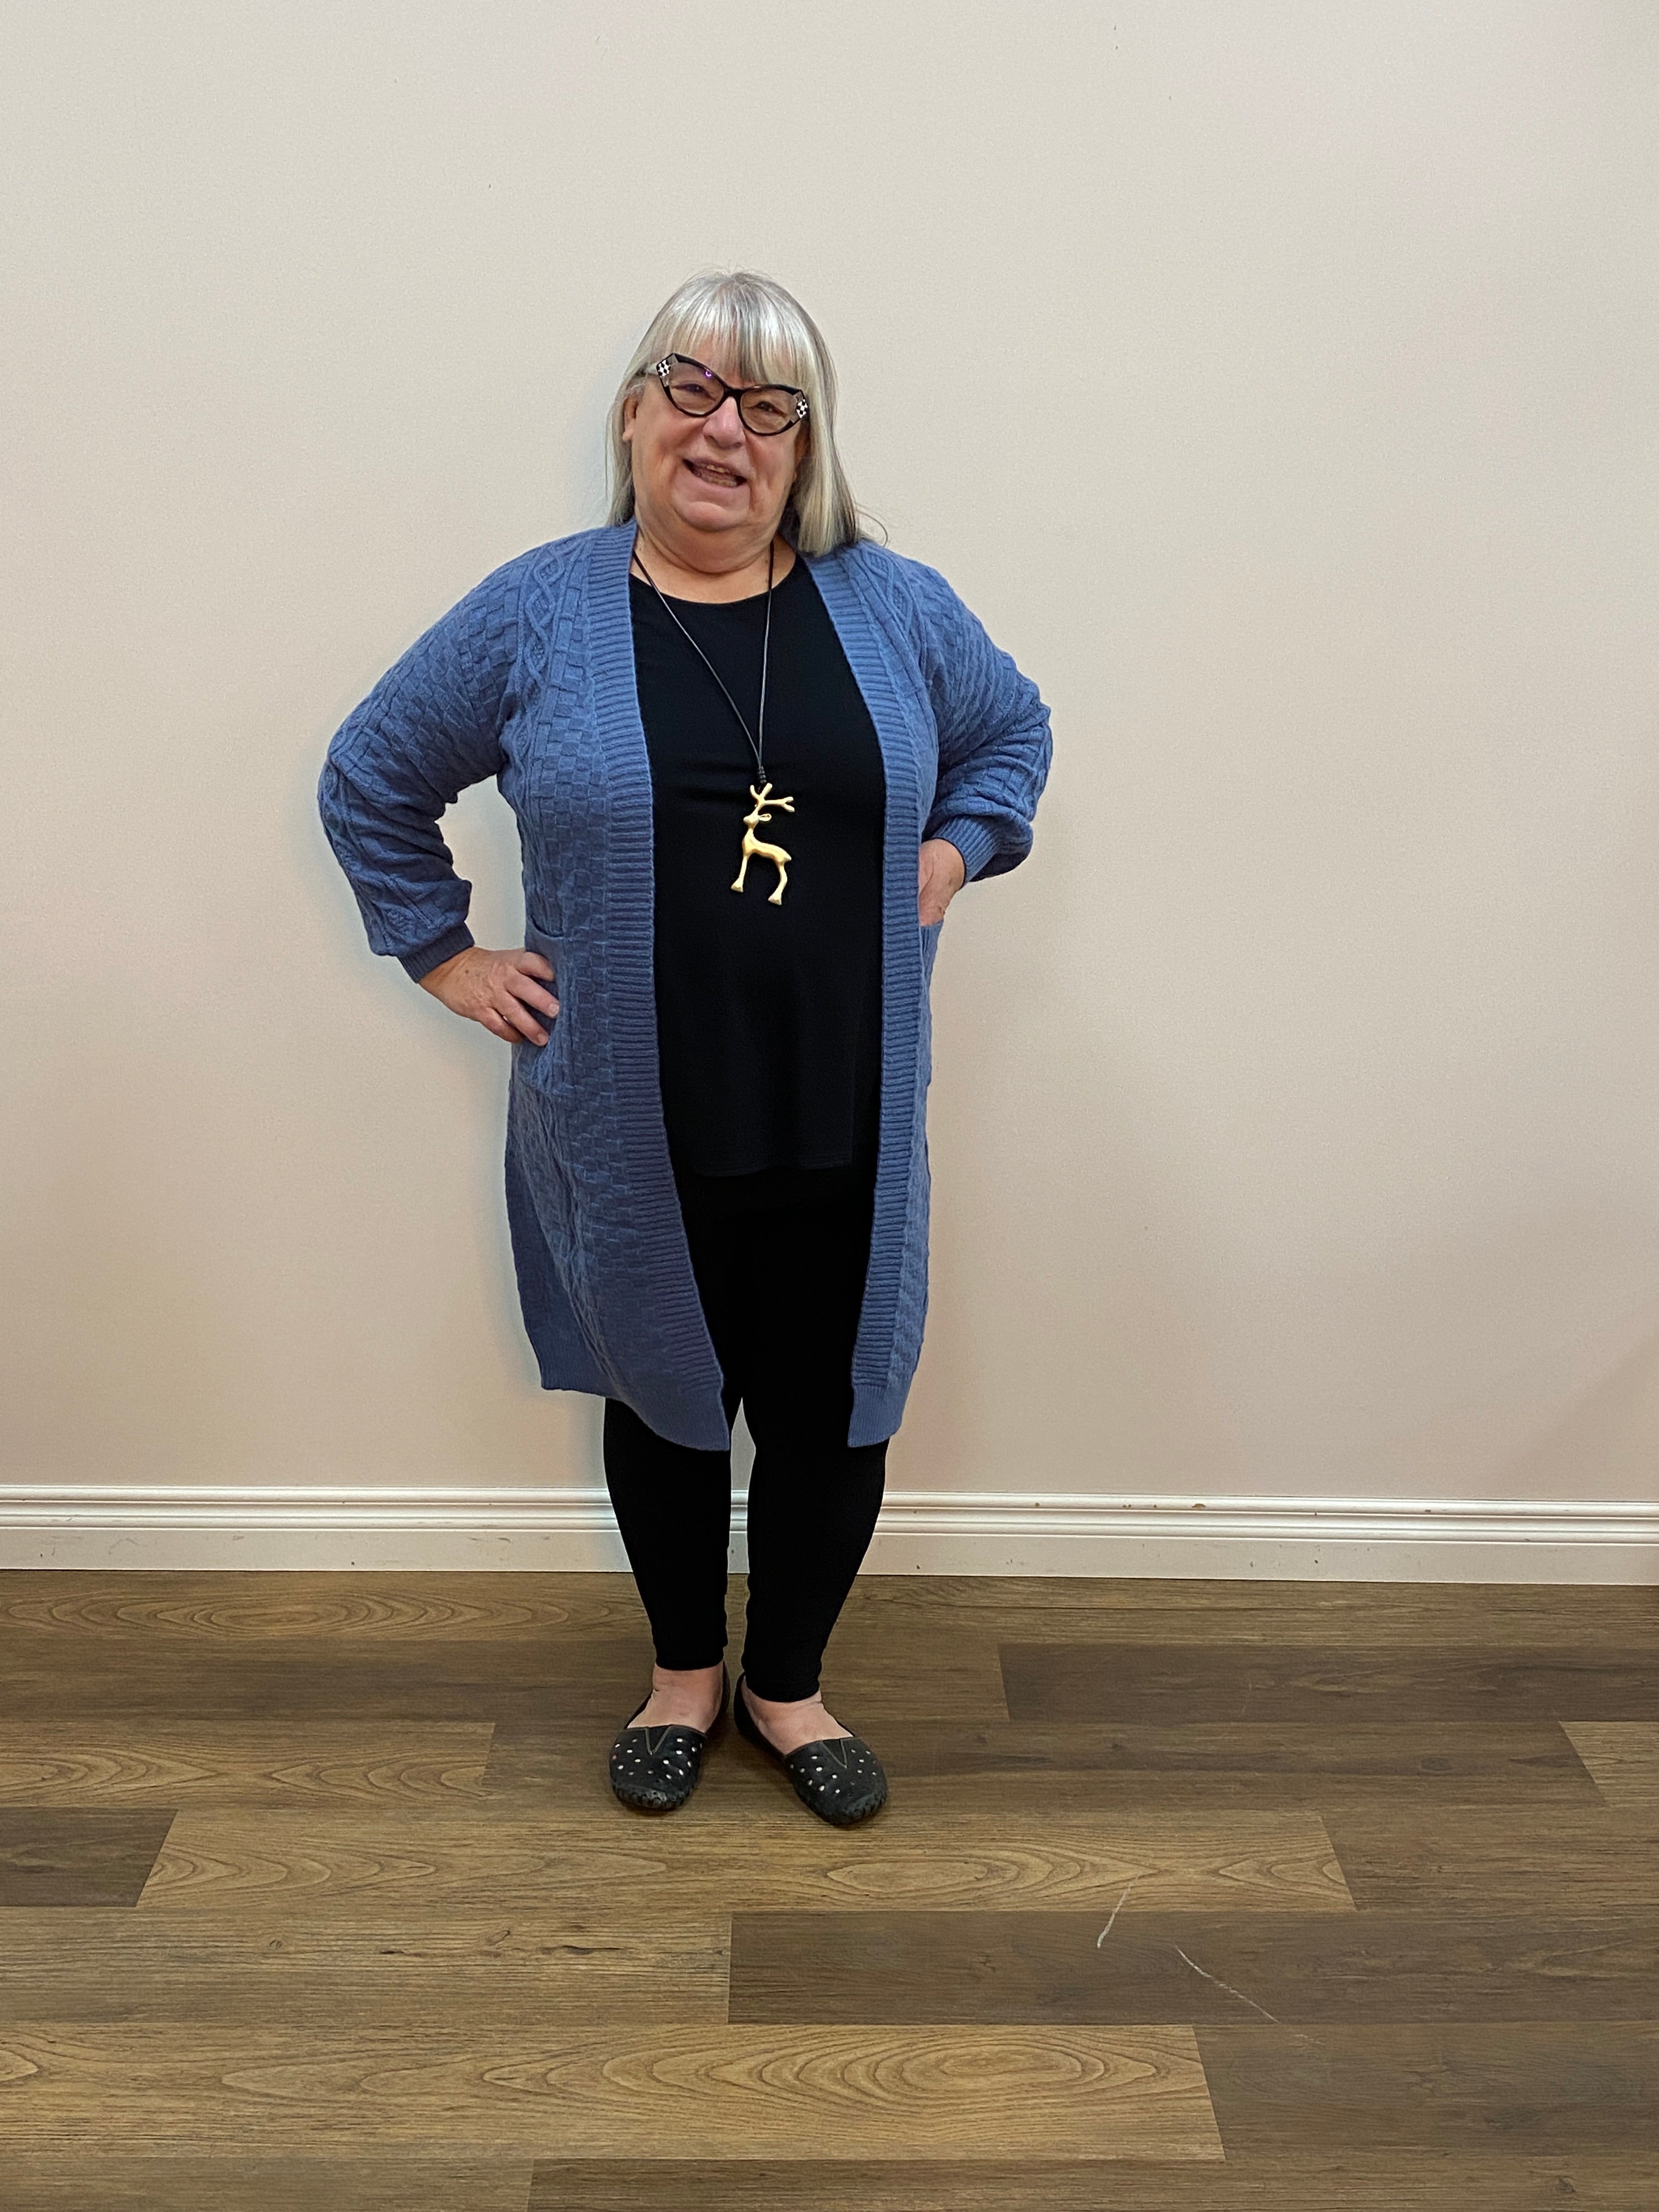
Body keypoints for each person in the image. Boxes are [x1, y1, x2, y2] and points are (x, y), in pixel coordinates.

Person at [318, 269, 1052, 1828]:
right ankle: (681, 1680)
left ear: (807, 447)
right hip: (629, 1114)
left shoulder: (891, 606)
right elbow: (372, 772)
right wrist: (445, 955)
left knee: (834, 1405)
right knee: (661, 1395)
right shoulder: (541, 610)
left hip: (848, 1105)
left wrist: (960, 847)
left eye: (770, 406)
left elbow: (1010, 731)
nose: (727, 430)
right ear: (635, 415)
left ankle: (787, 1687)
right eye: (695, 389)